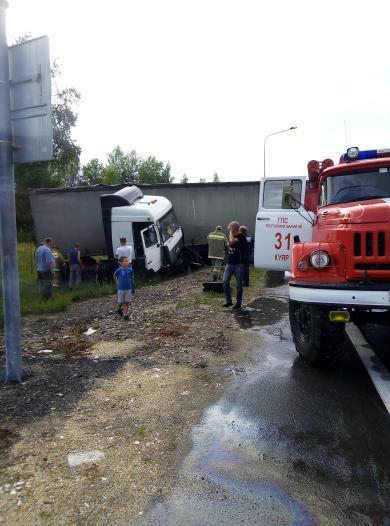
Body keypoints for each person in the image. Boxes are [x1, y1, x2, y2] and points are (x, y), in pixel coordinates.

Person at [223, 221, 246, 310]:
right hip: (230, 263)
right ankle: (229, 301)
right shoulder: (233, 236)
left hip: (238, 265)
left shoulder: (241, 236)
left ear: (234, 228)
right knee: (225, 282)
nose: (228, 229)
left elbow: (232, 241)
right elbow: (230, 244)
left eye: (230, 227)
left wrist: (231, 232)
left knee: (238, 285)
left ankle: (238, 303)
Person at [113, 256, 135, 321]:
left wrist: (133, 287)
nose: (127, 262)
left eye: (127, 261)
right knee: (121, 302)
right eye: (125, 261)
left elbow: (132, 278)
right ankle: (119, 308)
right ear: (121, 263)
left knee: (127, 302)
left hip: (128, 288)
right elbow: (114, 276)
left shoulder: (130, 270)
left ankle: (125, 315)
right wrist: (117, 283)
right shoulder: (118, 270)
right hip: (121, 289)